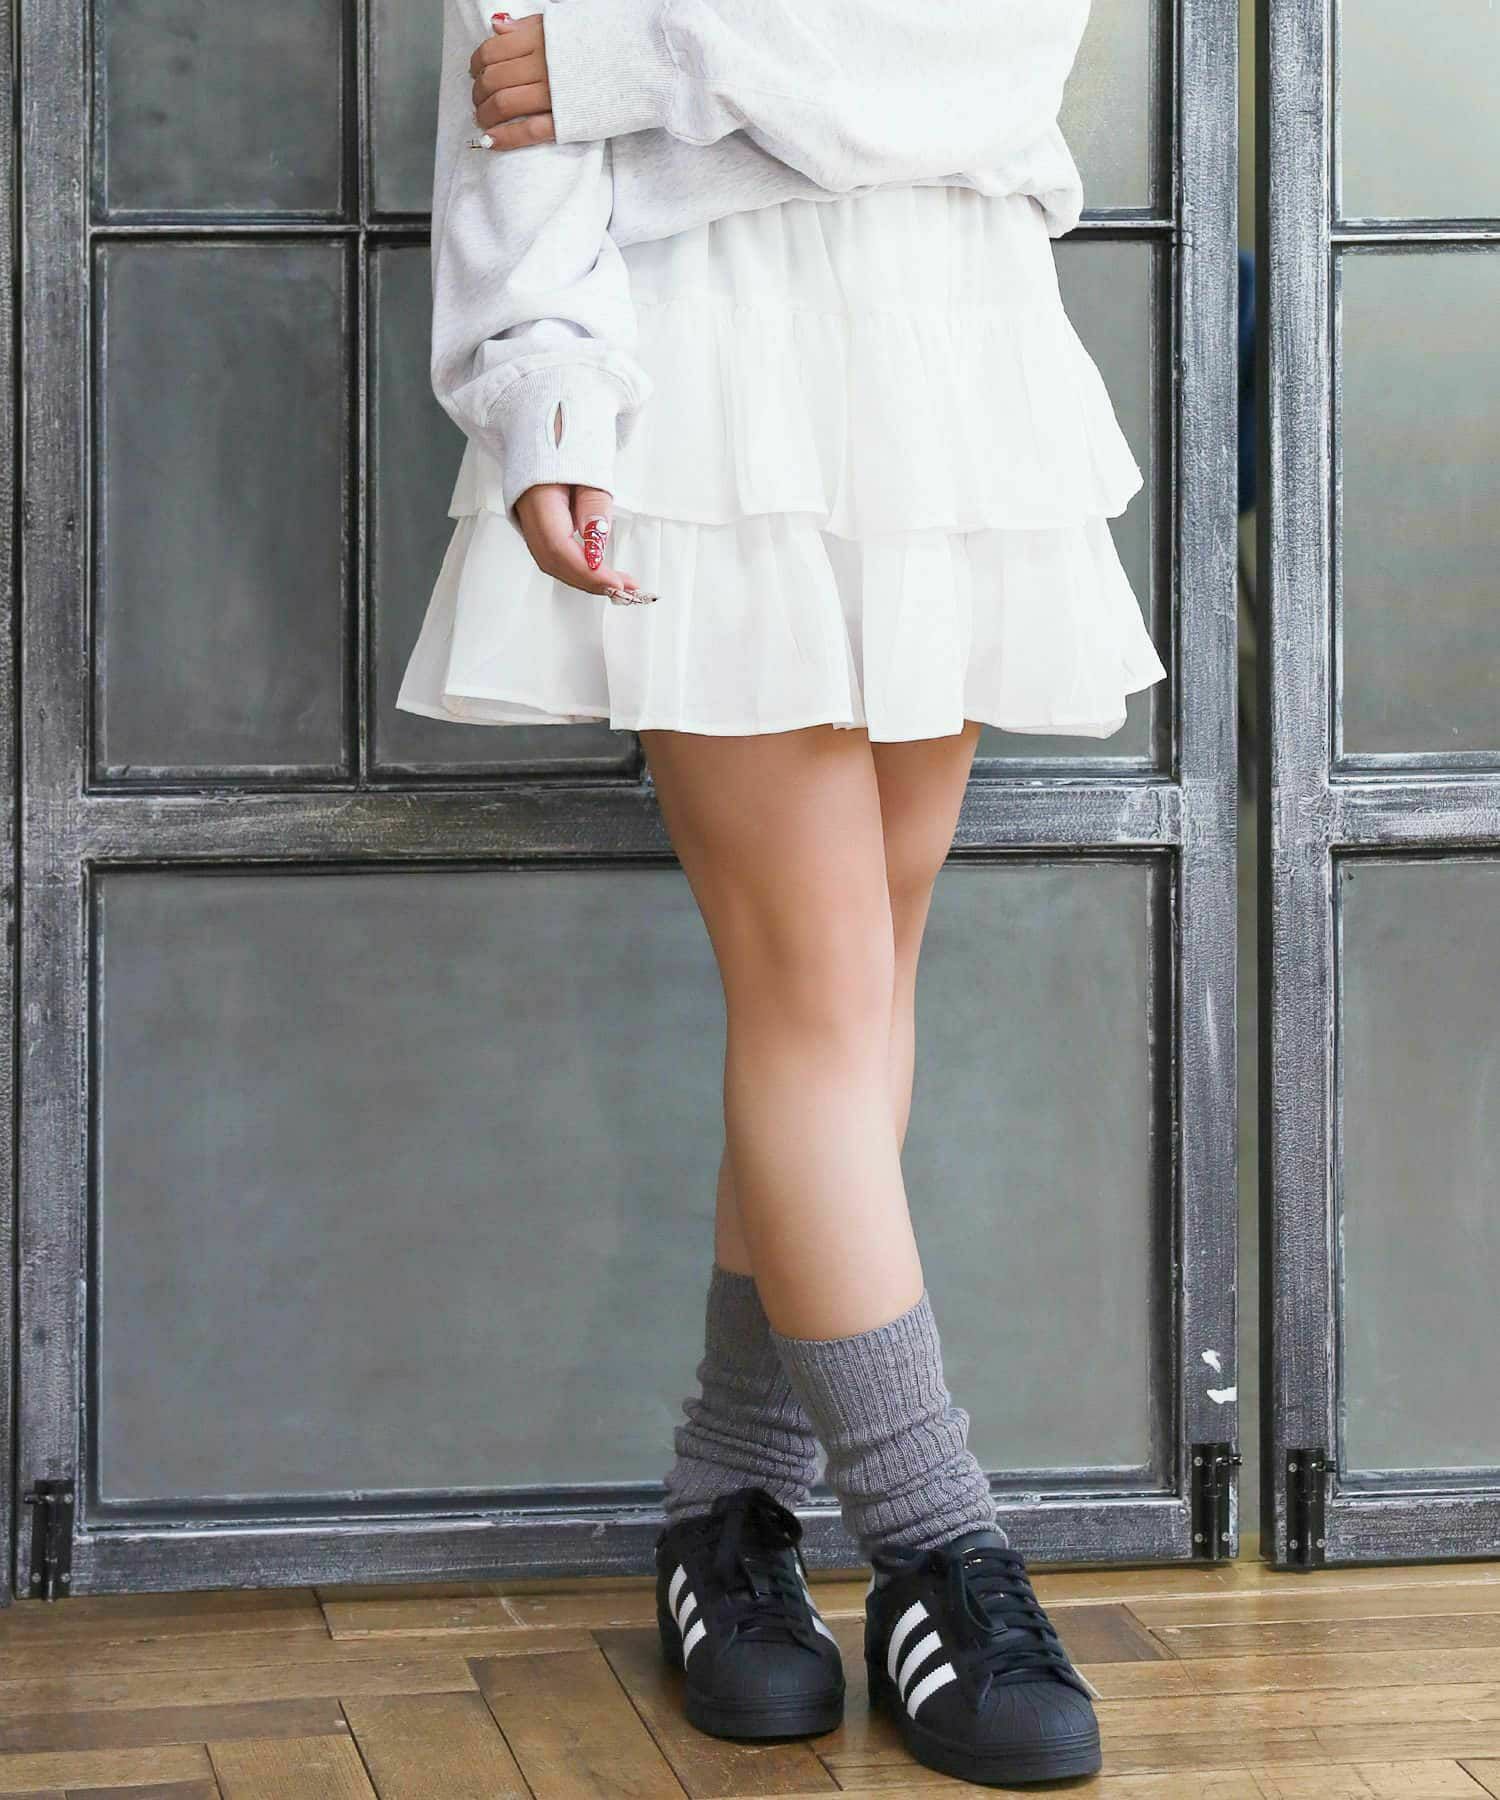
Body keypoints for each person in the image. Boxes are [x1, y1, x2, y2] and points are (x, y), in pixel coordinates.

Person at [399, 1, 1166, 1783]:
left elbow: (1003, 55)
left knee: (865, 973)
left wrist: (645, 64)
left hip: (950, 336)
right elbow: (505, 96)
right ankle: (938, 1542)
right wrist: (544, 394)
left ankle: (728, 1507)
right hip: (709, 362)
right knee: (819, 984)